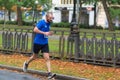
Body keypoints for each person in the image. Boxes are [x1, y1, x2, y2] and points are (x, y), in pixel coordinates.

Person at [23, 12, 55, 79]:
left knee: (47, 58)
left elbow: (46, 32)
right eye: (50, 18)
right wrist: (44, 33)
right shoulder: (41, 22)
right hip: (37, 43)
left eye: (52, 18)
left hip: (45, 43)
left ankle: (49, 73)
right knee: (34, 57)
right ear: (46, 17)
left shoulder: (49, 23)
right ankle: (26, 63)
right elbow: (35, 30)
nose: (51, 19)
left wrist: (49, 33)